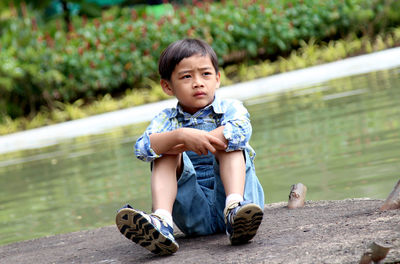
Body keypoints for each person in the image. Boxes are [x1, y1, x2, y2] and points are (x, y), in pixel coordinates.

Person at [115, 38, 265, 255]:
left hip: (243, 211)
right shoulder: (167, 119)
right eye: (186, 76)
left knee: (230, 140)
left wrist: (202, 140)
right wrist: (181, 136)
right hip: (195, 215)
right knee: (164, 148)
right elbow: (142, 148)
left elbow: (241, 130)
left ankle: (233, 208)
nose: (198, 82)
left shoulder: (230, 108)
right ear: (167, 86)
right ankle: (162, 223)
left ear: (217, 78)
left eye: (205, 74)